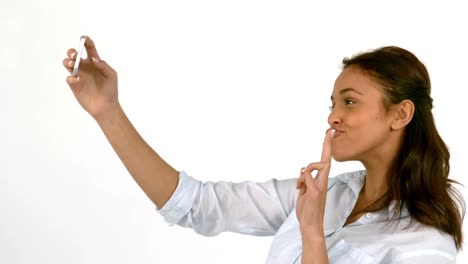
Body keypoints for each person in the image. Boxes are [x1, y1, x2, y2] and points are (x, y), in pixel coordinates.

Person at [63, 36, 464, 263]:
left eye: (350, 101)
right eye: (332, 104)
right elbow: (196, 203)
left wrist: (312, 236)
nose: (333, 118)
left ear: (401, 113)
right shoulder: (329, 195)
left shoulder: (426, 243)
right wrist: (107, 112)